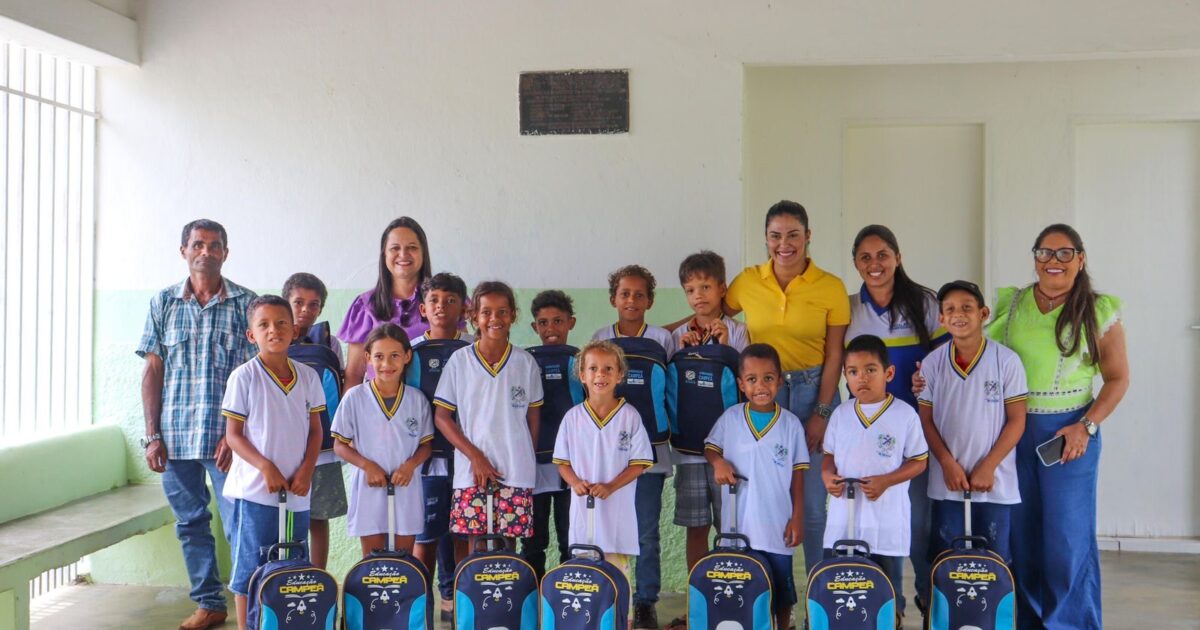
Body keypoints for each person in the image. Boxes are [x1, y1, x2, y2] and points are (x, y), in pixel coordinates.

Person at [984, 225, 1128, 629]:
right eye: (1045, 253)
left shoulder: (1098, 310)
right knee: (1022, 536)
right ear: (1035, 258)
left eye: (1065, 253)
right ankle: (1030, 622)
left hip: (1070, 436)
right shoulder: (1010, 304)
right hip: (1013, 432)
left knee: (1066, 539)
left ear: (1080, 259)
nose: (1054, 261)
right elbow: (978, 355)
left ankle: (1070, 623)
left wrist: (1086, 426)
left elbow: (1118, 378)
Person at [136, 219, 256, 630]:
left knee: (240, 523)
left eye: (214, 245)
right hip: (174, 440)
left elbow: (254, 377)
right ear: (184, 251)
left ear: (226, 252)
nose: (206, 251)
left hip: (227, 442)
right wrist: (152, 436)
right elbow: (153, 371)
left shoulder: (246, 304)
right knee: (190, 524)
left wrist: (234, 434)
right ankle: (209, 603)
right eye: (198, 244)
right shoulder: (164, 302)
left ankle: (250, 606)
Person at [724, 200, 850, 576]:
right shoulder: (748, 281)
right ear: (765, 238)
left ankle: (817, 589)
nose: (784, 244)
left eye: (793, 235)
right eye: (775, 236)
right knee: (762, 497)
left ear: (808, 236)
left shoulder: (831, 287)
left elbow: (835, 355)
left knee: (812, 505)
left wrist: (822, 412)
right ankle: (764, 589)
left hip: (816, 391)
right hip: (765, 394)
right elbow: (711, 313)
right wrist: (661, 333)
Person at [846, 224, 945, 615]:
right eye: (865, 257)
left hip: (916, 430)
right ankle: (890, 608)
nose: (875, 264)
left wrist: (929, 380)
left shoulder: (925, 303)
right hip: (867, 436)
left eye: (883, 255)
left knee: (919, 524)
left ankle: (928, 600)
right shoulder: (849, 309)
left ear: (898, 257)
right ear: (856, 263)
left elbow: (946, 362)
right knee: (876, 527)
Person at [221, 295, 325, 630]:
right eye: (263, 324)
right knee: (250, 572)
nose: (273, 330)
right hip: (255, 493)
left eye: (281, 323)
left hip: (297, 492)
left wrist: (307, 469)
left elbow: (316, 432)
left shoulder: (308, 377)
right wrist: (266, 467)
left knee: (291, 569)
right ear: (251, 335)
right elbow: (234, 436)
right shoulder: (244, 377)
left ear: (294, 330)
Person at [916, 281, 1027, 568]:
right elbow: (925, 420)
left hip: (994, 482)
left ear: (983, 313)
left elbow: (1017, 420)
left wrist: (989, 465)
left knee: (995, 564)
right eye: (950, 309)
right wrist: (946, 463)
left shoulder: (1007, 361)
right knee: (946, 562)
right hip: (948, 481)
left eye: (967, 307)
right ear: (942, 319)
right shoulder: (932, 363)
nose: (958, 314)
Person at [668, 250, 749, 630]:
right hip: (689, 450)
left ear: (722, 289)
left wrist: (725, 347)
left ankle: (731, 603)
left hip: (730, 451)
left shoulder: (739, 331)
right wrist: (683, 347)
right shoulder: (676, 336)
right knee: (696, 528)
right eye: (690, 290)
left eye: (705, 287)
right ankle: (698, 604)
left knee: (730, 529)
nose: (698, 296)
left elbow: (749, 382)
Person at [433, 281, 543, 558]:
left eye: (502, 311)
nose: (495, 318)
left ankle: (508, 590)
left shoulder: (525, 363)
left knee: (508, 549)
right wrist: (476, 457)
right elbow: (442, 417)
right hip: (472, 472)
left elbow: (533, 418)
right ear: (474, 316)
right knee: (476, 548)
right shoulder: (459, 361)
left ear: (513, 315)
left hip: (514, 471)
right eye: (486, 312)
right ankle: (473, 589)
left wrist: (523, 458)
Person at [591, 264, 675, 629]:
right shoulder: (600, 337)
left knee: (646, 531)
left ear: (650, 301)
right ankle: (608, 594)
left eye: (639, 294)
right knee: (606, 528)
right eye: (625, 293)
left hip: (652, 451)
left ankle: (645, 601)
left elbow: (670, 390)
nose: (632, 300)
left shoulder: (662, 339)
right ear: (613, 298)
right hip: (608, 455)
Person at [821, 334, 927, 618]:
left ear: (888, 373)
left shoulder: (904, 414)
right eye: (853, 372)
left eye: (870, 370)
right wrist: (827, 475)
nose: (862, 378)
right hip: (843, 521)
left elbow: (919, 461)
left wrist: (886, 481)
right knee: (842, 590)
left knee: (887, 594)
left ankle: (895, 620)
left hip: (886, 522)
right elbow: (829, 455)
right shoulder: (840, 414)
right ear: (845, 376)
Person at [705, 343, 808, 630]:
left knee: (782, 594)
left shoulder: (790, 425)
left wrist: (798, 517)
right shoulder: (731, 418)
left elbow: (799, 475)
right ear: (741, 384)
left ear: (779, 380)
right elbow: (710, 448)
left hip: (777, 526)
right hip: (737, 527)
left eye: (768, 378)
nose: (760, 386)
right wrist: (718, 462)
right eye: (752, 379)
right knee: (741, 592)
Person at [553, 340, 654, 590]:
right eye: (593, 368)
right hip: (583, 517)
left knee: (617, 584)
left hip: (617, 518)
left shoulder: (630, 416)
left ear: (620, 375)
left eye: (608, 369)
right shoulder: (572, 418)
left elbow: (639, 464)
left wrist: (610, 486)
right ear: (582, 375)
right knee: (587, 586)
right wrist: (575, 482)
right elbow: (562, 463)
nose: (601, 374)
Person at [332, 324, 433, 555]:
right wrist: (367, 466)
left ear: (407, 356)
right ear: (368, 358)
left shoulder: (417, 400)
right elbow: (339, 445)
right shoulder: (354, 398)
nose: (386, 364)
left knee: (404, 560)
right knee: (373, 562)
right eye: (379, 356)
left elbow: (426, 446)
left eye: (394, 356)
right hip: (368, 487)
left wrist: (410, 465)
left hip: (406, 486)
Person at [407, 272, 473, 620]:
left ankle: (458, 603)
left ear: (463, 307)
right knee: (426, 534)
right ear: (422, 308)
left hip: (466, 456)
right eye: (434, 300)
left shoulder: (474, 349)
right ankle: (421, 607)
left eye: (450, 300)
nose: (441, 306)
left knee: (462, 532)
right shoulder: (411, 352)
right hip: (426, 457)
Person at [282, 272, 347, 569]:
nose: (305, 310)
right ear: (286, 301)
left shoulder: (330, 342)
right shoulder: (273, 337)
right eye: (298, 302)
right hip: (281, 448)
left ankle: (318, 575)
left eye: (313, 304)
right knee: (284, 515)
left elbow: (340, 389)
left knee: (319, 517)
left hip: (322, 448)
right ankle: (289, 573)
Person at [523, 290, 584, 579]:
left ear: (571, 322)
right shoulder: (525, 360)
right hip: (533, 461)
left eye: (558, 321)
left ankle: (564, 590)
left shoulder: (581, 360)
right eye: (543, 322)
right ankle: (531, 592)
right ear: (534, 326)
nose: (551, 328)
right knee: (533, 539)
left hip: (571, 464)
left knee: (569, 535)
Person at [339, 217, 434, 388]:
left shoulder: (443, 302)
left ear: (423, 253)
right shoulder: (365, 306)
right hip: (378, 403)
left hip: (437, 402)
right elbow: (354, 374)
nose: (403, 254)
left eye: (412, 247)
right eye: (395, 248)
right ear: (384, 254)